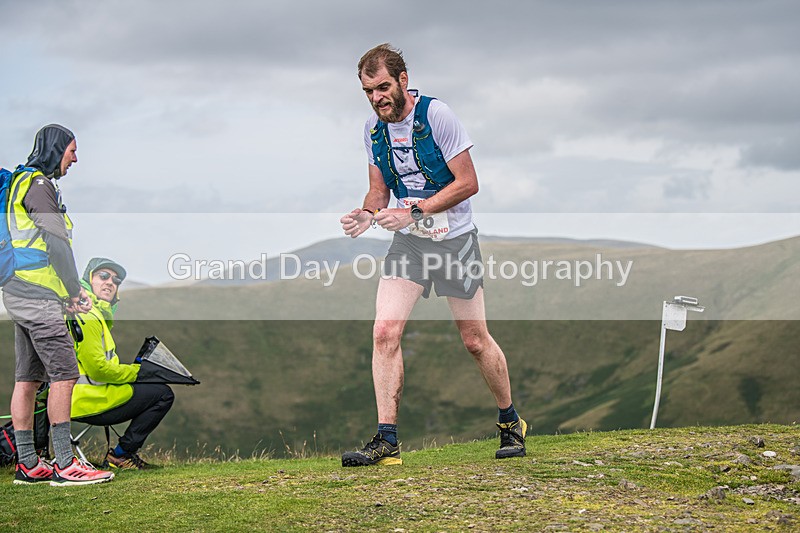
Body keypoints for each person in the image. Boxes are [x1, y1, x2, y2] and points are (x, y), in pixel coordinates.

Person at [339, 44, 527, 466]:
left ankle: (510, 422)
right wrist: (367, 213)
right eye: (368, 91)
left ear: (403, 80)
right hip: (410, 243)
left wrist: (414, 211)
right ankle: (387, 442)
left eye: (382, 87)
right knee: (384, 332)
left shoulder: (437, 116)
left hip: (455, 241)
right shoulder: (373, 130)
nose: (376, 98)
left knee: (474, 340)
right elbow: (378, 190)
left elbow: (468, 182)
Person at [4, 124, 114, 485]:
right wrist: (72, 291)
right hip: (37, 294)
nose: (75, 159)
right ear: (56, 149)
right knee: (65, 374)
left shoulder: (20, 182)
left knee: (28, 378)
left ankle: (28, 464)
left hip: (20, 291)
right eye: (72, 150)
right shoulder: (39, 185)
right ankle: (66, 464)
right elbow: (56, 242)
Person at [71, 258, 175, 470]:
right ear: (87, 280)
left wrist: (137, 373)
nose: (110, 282)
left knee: (153, 388)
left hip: (89, 396)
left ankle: (120, 455)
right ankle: (121, 455)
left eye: (116, 280)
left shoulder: (95, 314)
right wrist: (138, 372)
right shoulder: (88, 316)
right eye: (103, 276)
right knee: (163, 394)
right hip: (88, 400)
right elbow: (98, 370)